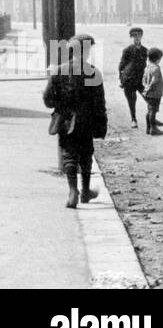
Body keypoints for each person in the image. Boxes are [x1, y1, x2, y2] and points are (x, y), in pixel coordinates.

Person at [43, 33, 108, 208]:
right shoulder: (94, 73)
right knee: (86, 155)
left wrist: (62, 107)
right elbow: (100, 104)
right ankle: (86, 191)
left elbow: (47, 99)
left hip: (65, 121)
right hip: (86, 121)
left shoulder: (59, 71)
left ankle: (73, 192)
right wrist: (101, 125)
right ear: (86, 52)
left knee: (69, 156)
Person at [118, 26, 149, 129]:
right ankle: (133, 119)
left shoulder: (145, 50)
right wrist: (121, 80)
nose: (137, 38)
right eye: (134, 36)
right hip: (130, 80)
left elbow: (147, 65)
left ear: (141, 36)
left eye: (139, 35)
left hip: (141, 80)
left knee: (149, 98)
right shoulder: (127, 50)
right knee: (132, 101)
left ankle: (151, 118)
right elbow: (121, 66)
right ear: (131, 37)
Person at [142, 47, 163, 135]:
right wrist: (150, 87)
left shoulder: (148, 67)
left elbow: (144, 79)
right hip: (154, 93)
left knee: (149, 110)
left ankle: (148, 128)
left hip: (148, 93)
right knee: (153, 111)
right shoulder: (156, 68)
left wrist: (146, 87)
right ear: (157, 59)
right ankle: (153, 128)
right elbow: (154, 80)